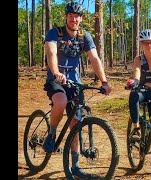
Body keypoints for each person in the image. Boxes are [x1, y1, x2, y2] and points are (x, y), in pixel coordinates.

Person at [42, 1, 111, 178]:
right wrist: (56, 72)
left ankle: (76, 166)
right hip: (56, 79)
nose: (74, 19)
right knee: (60, 101)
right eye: (71, 16)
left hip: (74, 83)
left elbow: (94, 58)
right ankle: (51, 133)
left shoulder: (84, 36)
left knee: (76, 122)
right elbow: (51, 53)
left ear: (81, 18)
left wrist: (104, 81)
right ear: (66, 17)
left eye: (77, 16)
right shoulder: (55, 33)